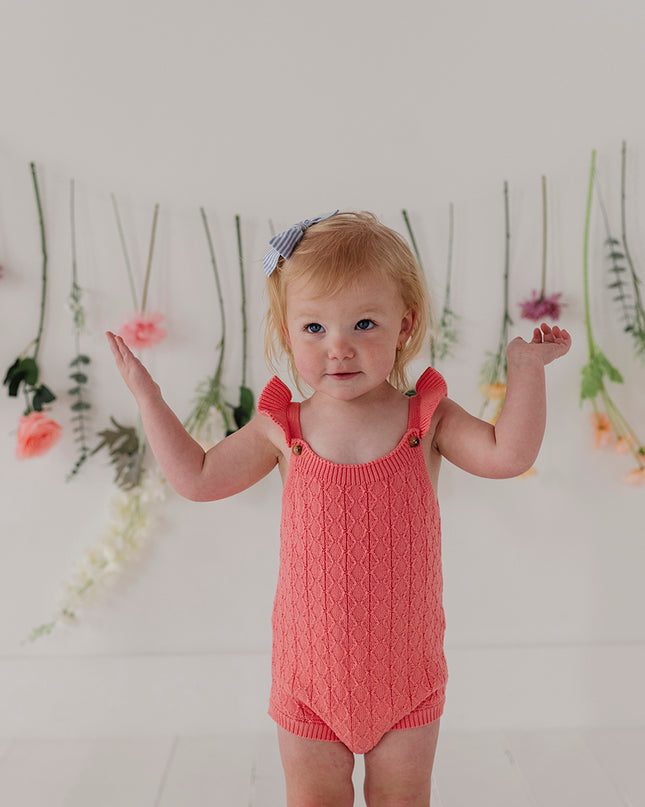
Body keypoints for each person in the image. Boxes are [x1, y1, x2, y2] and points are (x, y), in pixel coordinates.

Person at [107, 210, 571, 807]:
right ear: (286, 331)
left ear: (404, 325)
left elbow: (508, 455)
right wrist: (149, 398)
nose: (339, 347)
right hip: (308, 679)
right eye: (314, 327)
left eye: (364, 323)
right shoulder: (282, 428)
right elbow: (196, 478)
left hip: (407, 677)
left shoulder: (426, 419)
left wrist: (526, 371)